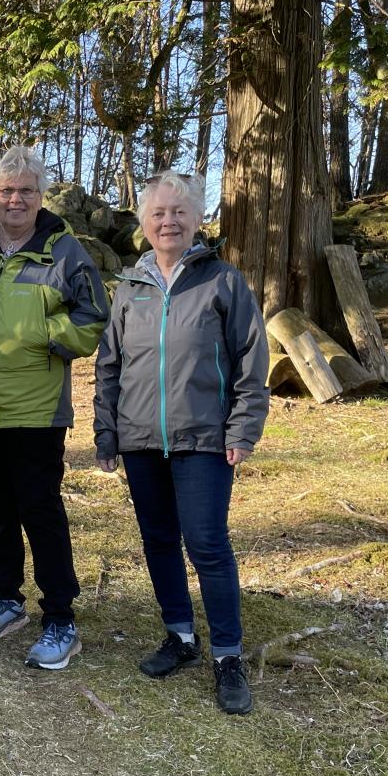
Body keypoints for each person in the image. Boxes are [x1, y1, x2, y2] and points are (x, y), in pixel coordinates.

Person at [93, 170, 269, 715]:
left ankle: (228, 656)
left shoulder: (223, 282)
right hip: (141, 438)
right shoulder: (130, 287)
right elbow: (109, 365)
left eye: (178, 213)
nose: (168, 221)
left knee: (208, 544)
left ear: (197, 220)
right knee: (159, 540)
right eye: (157, 214)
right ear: (143, 224)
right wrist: (107, 432)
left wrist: (242, 430)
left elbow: (250, 362)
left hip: (204, 440)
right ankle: (180, 636)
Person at [0, 146, 109, 670]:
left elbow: (93, 318)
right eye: (6, 191)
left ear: (41, 196)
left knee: (40, 508)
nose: (15, 199)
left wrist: (43, 333)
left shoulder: (66, 254)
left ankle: (59, 615)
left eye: (26, 191)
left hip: (36, 409)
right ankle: (5, 598)